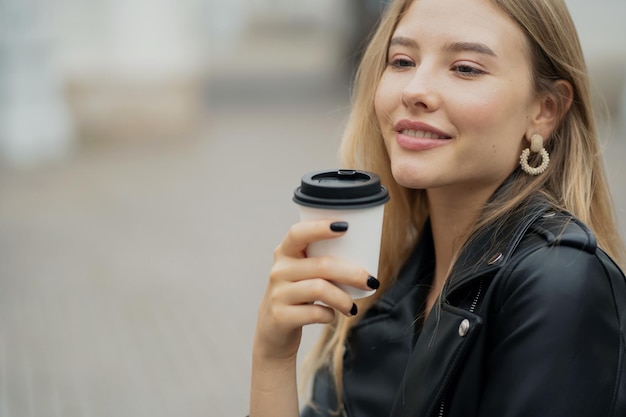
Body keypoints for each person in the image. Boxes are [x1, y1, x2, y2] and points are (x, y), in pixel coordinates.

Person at [249, 0, 626, 416]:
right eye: (402, 60)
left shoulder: (558, 282)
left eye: (465, 67)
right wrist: (273, 359)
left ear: (544, 110)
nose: (415, 90)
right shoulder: (382, 278)